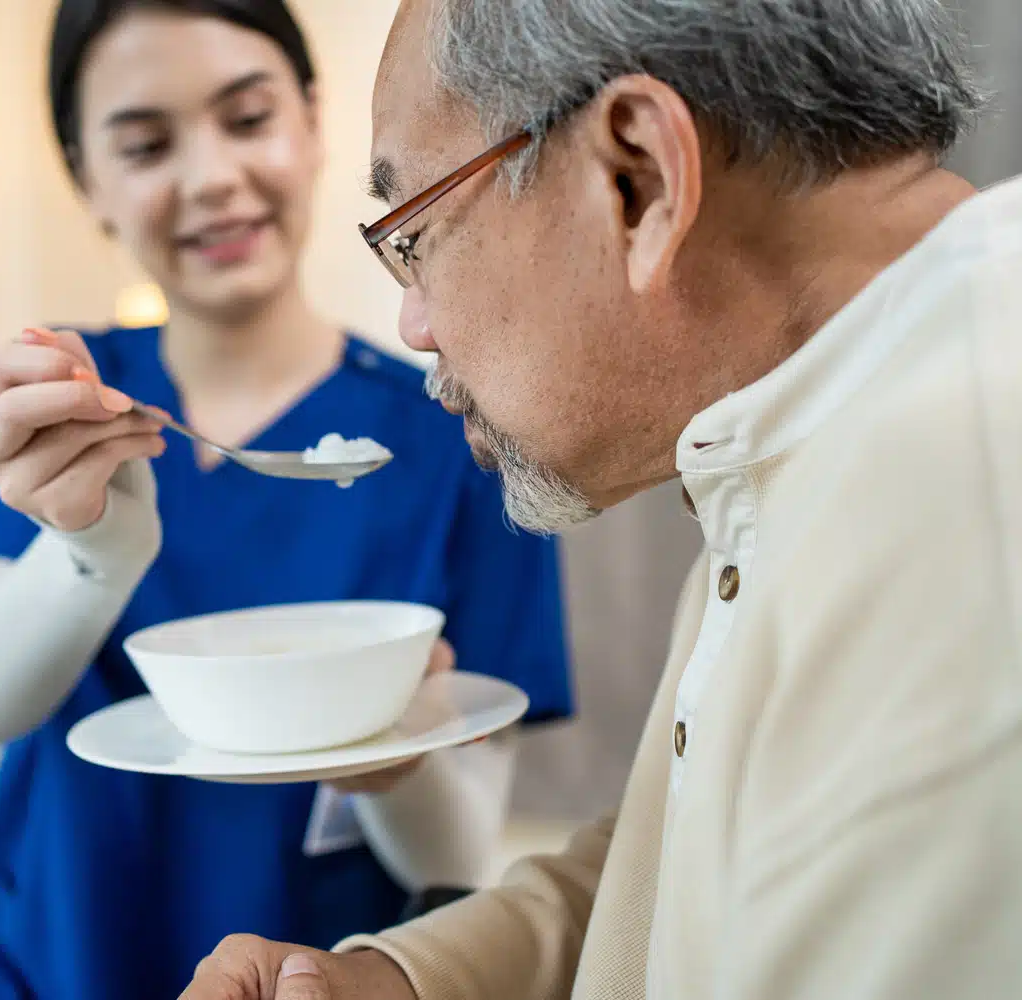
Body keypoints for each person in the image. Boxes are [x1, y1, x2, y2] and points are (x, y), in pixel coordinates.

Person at [182, 0, 1022, 997]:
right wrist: (396, 981)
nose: (413, 324)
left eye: (412, 235)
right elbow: (684, 854)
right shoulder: (799, 429)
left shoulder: (964, 505)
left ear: (639, 179)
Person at [0, 2, 574, 997]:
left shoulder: (459, 425)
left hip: (306, 972)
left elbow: (457, 858)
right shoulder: (63, 399)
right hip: (34, 954)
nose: (211, 178)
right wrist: (94, 553)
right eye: (147, 144)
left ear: (310, 121)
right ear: (90, 182)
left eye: (247, 119)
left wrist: (385, 742)